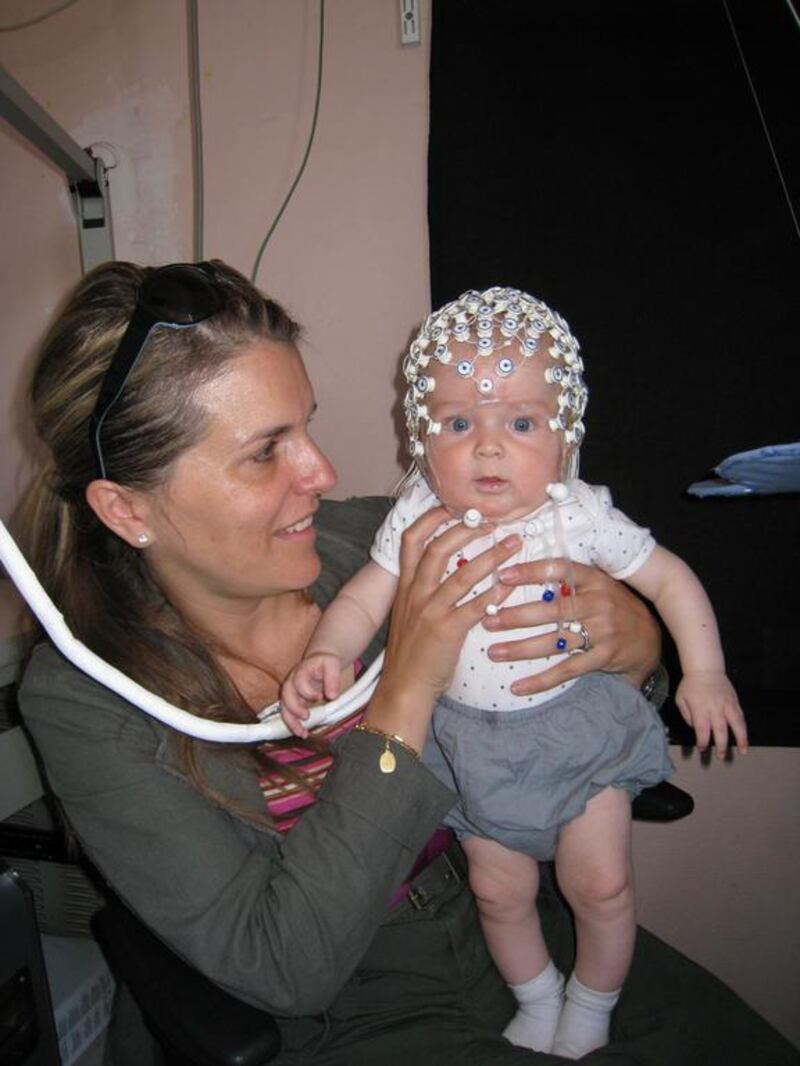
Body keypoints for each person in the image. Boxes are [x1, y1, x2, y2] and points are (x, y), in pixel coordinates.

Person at [15, 262, 792, 1066]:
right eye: (264, 453)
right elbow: (284, 966)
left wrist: (637, 643)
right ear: (127, 509)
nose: (323, 474)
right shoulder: (87, 702)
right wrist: (408, 686)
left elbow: (601, 663)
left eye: (306, 428)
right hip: (356, 1005)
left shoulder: (381, 533)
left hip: (515, 907)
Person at [281, 285, 749, 1057]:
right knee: (500, 892)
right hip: (468, 744)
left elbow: (669, 579)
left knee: (599, 886)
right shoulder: (416, 518)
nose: (488, 447)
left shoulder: (577, 513)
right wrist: (327, 651)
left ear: (565, 435)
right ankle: (536, 998)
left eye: (521, 422)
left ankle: (593, 1005)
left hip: (575, 730)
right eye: (460, 422)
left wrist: (704, 671)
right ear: (422, 436)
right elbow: (366, 599)